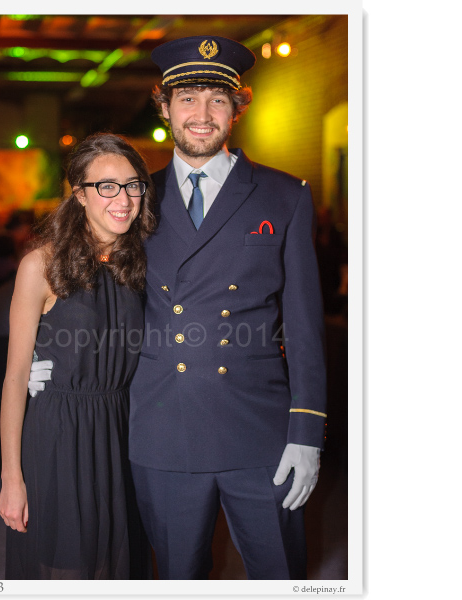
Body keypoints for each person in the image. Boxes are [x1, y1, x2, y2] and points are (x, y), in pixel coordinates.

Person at [127, 35, 328, 579]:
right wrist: (51, 355)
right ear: (164, 107)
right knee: (178, 577)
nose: (202, 114)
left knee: (281, 575)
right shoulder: (132, 198)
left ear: (237, 109)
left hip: (260, 431)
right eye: (187, 98)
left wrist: (307, 431)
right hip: (164, 428)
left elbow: (305, 326)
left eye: (217, 99)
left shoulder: (284, 195)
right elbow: (101, 297)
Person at [0, 133, 155, 579]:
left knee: (118, 566)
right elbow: (15, 377)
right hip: (59, 436)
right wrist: (12, 478)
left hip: (121, 434)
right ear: (80, 194)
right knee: (64, 566)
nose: (123, 199)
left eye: (132, 185)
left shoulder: (142, 263)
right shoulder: (41, 266)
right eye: (107, 186)